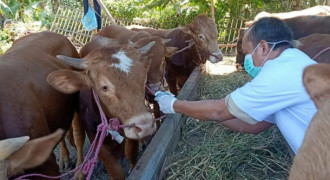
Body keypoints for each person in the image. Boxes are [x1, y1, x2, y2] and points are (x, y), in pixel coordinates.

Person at [154, 17, 317, 154]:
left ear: (263, 47)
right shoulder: (296, 61)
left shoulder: (279, 73)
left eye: (246, 53)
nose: (246, 60)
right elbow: (254, 126)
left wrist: (174, 105)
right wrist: (205, 111)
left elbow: (219, 110)